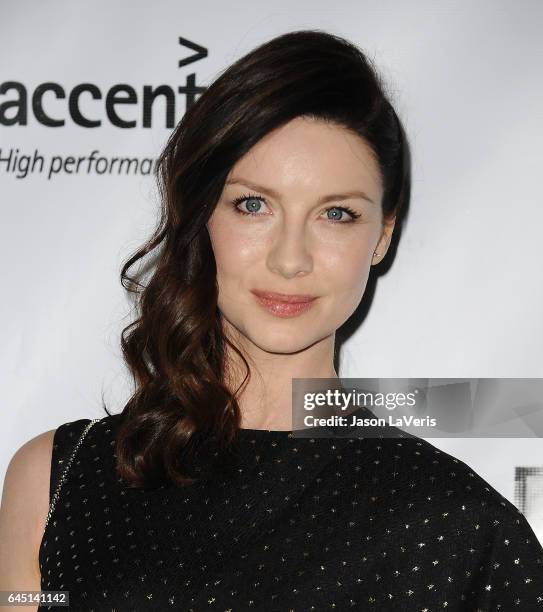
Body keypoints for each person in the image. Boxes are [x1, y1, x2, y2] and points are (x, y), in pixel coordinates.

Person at [1, 29, 542, 611]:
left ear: (383, 234)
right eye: (253, 205)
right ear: (202, 214)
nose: (290, 259)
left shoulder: (457, 528)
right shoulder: (58, 477)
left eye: (337, 214)